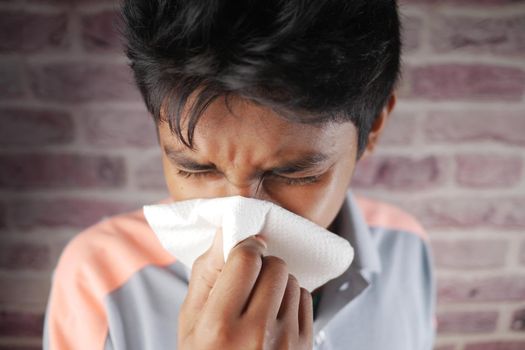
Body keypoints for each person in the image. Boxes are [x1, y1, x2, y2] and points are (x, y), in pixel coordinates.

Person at [43, 0, 436, 349]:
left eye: (294, 174)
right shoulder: (99, 280)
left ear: (375, 128)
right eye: (195, 168)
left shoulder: (406, 248)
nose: (241, 227)